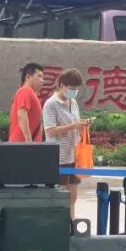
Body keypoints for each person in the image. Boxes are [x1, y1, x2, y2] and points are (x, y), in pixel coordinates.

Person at [43, 69, 91, 212]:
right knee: (60, 198)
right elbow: (50, 130)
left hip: (74, 155)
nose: (74, 92)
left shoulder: (73, 102)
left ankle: (71, 223)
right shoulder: (51, 104)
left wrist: (82, 124)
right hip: (59, 157)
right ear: (62, 85)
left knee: (72, 197)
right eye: (72, 88)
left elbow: (75, 123)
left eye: (76, 89)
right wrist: (74, 126)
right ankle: (58, 223)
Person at [8, 62, 45, 143]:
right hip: (22, 144)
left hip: (27, 144)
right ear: (28, 77)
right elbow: (22, 115)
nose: (42, 81)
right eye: (39, 76)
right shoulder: (26, 91)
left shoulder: (31, 93)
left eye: (43, 78)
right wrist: (28, 141)